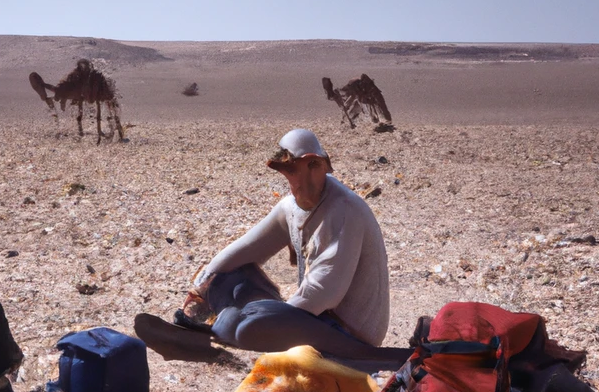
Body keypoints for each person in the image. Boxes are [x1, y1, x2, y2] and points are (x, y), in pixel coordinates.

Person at [135, 128, 410, 372]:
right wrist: (202, 286)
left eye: (311, 167)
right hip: (308, 318)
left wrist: (276, 320)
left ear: (320, 167)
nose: (300, 181)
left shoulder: (344, 210)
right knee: (227, 280)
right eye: (291, 172)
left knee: (250, 325)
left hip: (349, 332)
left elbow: (324, 292)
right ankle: (211, 329)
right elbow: (246, 249)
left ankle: (216, 332)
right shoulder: (291, 208)